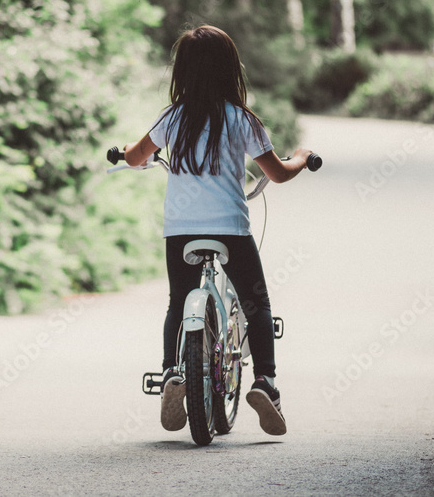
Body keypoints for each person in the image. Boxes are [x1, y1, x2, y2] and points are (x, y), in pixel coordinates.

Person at [121, 25, 312, 436]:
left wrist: (124, 154)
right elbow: (276, 173)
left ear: (182, 72)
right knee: (256, 304)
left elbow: (138, 157)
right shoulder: (241, 119)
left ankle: (172, 373)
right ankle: (265, 383)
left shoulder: (172, 118)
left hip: (181, 231)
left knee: (177, 302)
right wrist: (301, 157)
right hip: (229, 230)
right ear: (230, 70)